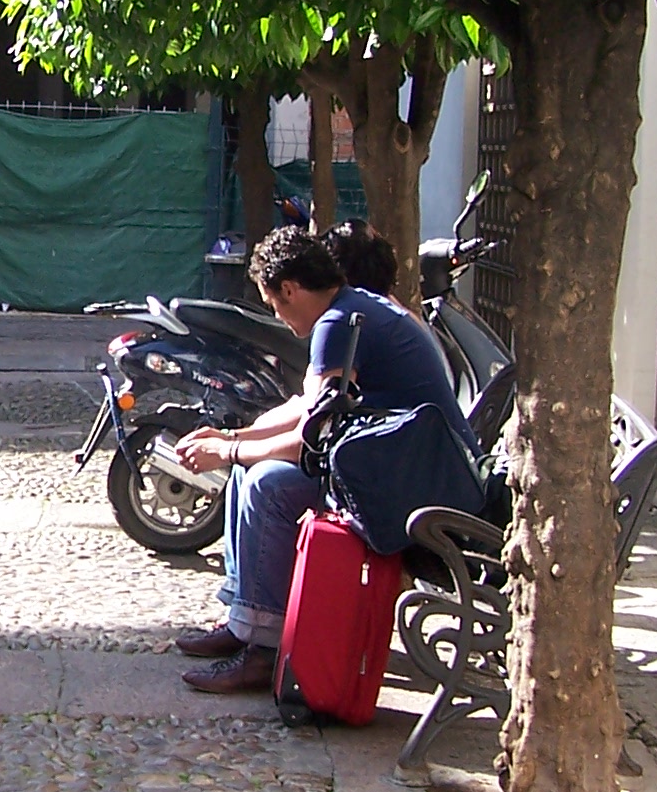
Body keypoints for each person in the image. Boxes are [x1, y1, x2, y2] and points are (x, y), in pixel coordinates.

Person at [168, 226, 474, 693]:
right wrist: (233, 436)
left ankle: (264, 649)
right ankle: (243, 621)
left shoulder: (337, 323)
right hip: (410, 471)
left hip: (411, 489)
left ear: (289, 289)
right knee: (250, 472)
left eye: (273, 302)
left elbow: (308, 439)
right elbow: (307, 407)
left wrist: (227, 450)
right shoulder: (353, 309)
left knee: (269, 485)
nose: (277, 314)